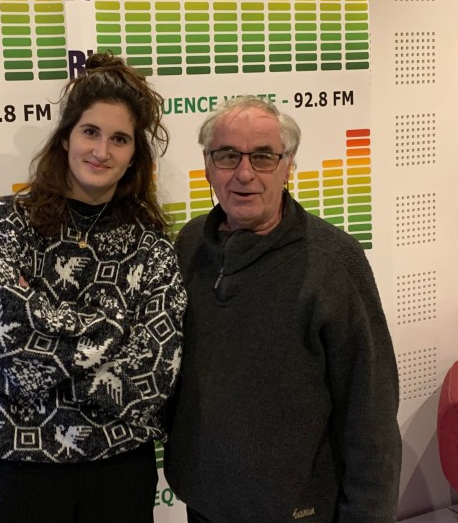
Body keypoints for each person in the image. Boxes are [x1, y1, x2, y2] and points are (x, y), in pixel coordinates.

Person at [0, 53, 186, 523]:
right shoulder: (9, 222)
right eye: (90, 132)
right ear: (65, 138)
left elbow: (154, 372)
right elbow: (7, 345)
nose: (102, 151)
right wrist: (111, 326)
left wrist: (43, 318)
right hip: (14, 467)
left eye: (119, 139)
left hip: (117, 471)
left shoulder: (151, 243)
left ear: (134, 155)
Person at [164, 96, 401, 522]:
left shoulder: (334, 261)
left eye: (263, 156)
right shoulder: (191, 243)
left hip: (296, 512)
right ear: (207, 165)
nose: (244, 173)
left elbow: (369, 411)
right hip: (203, 502)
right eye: (227, 155)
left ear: (288, 165)